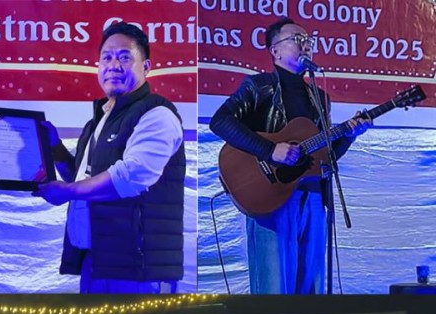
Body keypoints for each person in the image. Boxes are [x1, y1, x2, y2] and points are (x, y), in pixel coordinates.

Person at [209, 17, 371, 294]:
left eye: (309, 40)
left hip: (314, 198)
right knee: (274, 287)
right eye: (297, 39)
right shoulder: (259, 87)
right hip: (271, 196)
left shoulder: (319, 97)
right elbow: (220, 121)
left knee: (312, 288)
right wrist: (270, 150)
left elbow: (324, 157)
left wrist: (349, 136)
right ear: (275, 50)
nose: (305, 45)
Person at [35, 22, 185, 294]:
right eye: (107, 58)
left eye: (125, 57)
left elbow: (130, 177)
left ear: (146, 67)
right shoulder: (99, 121)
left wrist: (66, 191)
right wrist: (55, 148)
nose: (113, 65)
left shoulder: (157, 115)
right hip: (96, 261)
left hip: (138, 270)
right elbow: (83, 181)